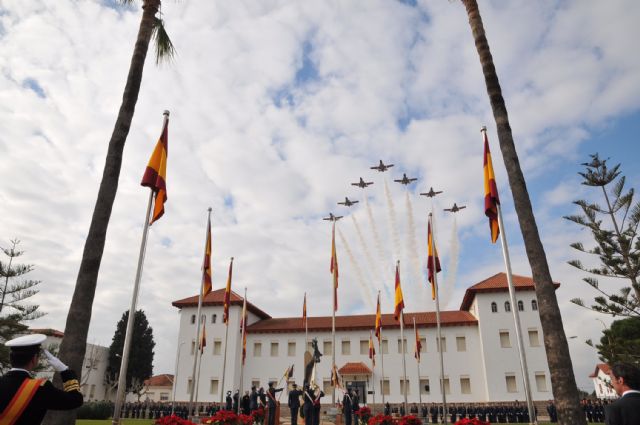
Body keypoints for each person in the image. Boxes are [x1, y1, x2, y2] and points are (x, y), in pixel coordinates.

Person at [0, 334, 83, 424]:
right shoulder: (40, 388)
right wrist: (65, 370)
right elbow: (75, 400)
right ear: (34, 359)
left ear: (11, 358)